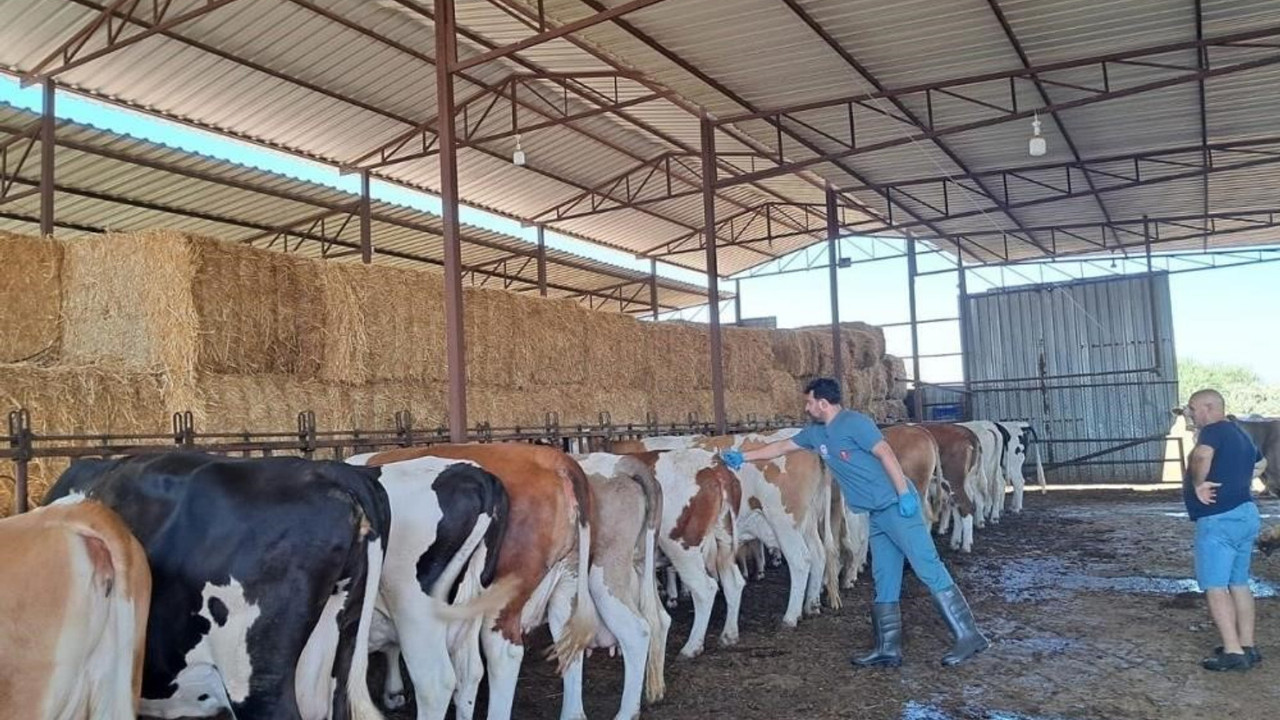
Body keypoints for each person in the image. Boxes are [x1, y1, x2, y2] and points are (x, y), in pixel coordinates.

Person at [720, 377, 988, 667]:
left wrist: (904, 495)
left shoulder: (855, 423)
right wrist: (742, 457)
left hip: (897, 506)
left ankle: (969, 635)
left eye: (809, 402)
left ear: (823, 403)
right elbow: (782, 447)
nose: (806, 408)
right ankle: (888, 648)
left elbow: (885, 454)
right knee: (884, 577)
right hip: (876, 512)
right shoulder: (816, 434)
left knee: (927, 566)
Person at [1183, 388, 1265, 672]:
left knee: (1216, 586)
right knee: (1239, 583)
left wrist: (1199, 484)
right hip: (1245, 513)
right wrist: (1237, 478)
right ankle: (1247, 645)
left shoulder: (1213, 431)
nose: (1191, 414)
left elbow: (1202, 457)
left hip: (1219, 519)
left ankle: (1232, 651)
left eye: (1193, 409)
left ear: (1208, 407)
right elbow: (1261, 463)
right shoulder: (1240, 432)